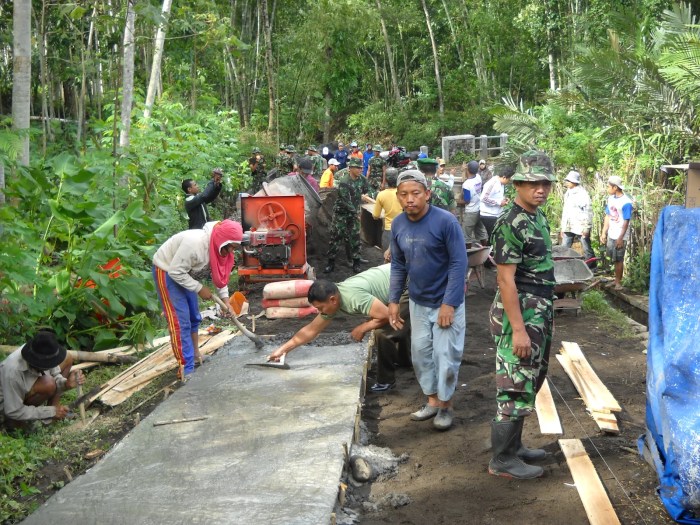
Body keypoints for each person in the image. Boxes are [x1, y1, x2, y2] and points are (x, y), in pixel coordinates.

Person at [488, 150, 556, 480]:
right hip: (521, 310)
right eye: (532, 182)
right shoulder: (509, 223)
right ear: (517, 184)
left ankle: (514, 447)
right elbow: (505, 279)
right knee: (514, 383)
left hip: (539, 309)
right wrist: (517, 329)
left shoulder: (537, 217)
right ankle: (501, 460)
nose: (539, 188)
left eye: (545, 183)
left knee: (531, 377)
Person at [388, 170, 467, 431]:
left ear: (427, 194)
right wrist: (393, 300)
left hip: (446, 301)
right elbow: (398, 265)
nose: (409, 199)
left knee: (445, 356)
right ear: (398, 197)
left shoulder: (446, 222)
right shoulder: (398, 224)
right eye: (404, 194)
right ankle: (432, 401)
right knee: (421, 354)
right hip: (418, 302)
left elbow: (459, 263)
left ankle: (446, 406)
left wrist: (449, 303)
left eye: (415, 193)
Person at [267, 264, 411, 393]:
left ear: (333, 300)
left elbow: (388, 316)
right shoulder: (332, 301)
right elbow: (311, 330)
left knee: (383, 331)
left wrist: (362, 328)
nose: (319, 312)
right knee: (381, 321)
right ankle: (404, 359)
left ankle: (386, 382)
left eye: (320, 308)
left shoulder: (353, 297)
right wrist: (282, 350)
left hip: (408, 282)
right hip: (395, 278)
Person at [152, 220, 242, 382]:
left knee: (194, 317)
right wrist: (199, 288)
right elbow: (175, 271)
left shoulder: (222, 250)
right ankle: (185, 369)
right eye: (230, 247)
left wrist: (226, 301)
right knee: (180, 321)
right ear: (222, 240)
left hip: (186, 273)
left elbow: (220, 277)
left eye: (234, 248)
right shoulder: (195, 244)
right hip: (167, 270)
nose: (231, 251)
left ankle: (194, 355)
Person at [0, 329, 85, 431]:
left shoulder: (42, 351)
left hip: (26, 393)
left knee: (68, 357)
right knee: (48, 383)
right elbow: (13, 410)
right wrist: (50, 411)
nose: (50, 366)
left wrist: (66, 384)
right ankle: (20, 424)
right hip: (8, 407)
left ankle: (52, 414)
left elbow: (55, 375)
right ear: (37, 362)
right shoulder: (12, 371)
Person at [324, 157, 371, 274]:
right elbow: (346, 201)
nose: (360, 170)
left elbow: (367, 190)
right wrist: (356, 214)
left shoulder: (362, 179)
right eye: (357, 168)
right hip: (342, 213)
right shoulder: (344, 182)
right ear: (350, 168)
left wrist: (366, 196)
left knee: (355, 237)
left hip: (354, 213)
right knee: (336, 237)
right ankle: (331, 263)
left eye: (361, 168)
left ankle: (356, 262)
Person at [600, 175, 633, 289]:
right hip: (612, 232)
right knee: (613, 258)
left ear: (615, 187)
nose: (607, 188)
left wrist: (620, 238)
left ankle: (618, 282)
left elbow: (626, 222)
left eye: (608, 186)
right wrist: (604, 232)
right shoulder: (610, 199)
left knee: (619, 259)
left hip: (620, 234)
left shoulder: (626, 202)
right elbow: (608, 216)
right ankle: (615, 280)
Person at [560, 170, 594, 260]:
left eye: (568, 181)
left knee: (586, 247)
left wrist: (587, 227)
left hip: (580, 225)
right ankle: (563, 266)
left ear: (574, 182)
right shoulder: (567, 193)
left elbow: (588, 211)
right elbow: (565, 211)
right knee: (564, 248)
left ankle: (591, 267)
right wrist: (563, 227)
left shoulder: (582, 194)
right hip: (568, 225)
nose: (566, 183)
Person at [372, 168, 403, 250]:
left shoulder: (381, 195)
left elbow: (375, 215)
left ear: (385, 179)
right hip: (404, 229)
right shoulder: (403, 193)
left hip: (389, 230)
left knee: (388, 258)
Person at [480, 167, 513, 242]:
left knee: (494, 236)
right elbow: (484, 198)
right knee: (494, 237)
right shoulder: (493, 183)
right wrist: (499, 203)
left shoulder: (501, 184)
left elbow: (496, 196)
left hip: (496, 214)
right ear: (504, 177)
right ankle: (490, 252)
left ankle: (490, 251)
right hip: (488, 215)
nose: (509, 182)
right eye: (509, 180)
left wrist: (504, 199)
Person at [461, 160, 487, 247]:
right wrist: (465, 170)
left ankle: (469, 254)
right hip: (479, 208)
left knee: (467, 235)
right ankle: (487, 252)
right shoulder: (478, 177)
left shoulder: (466, 184)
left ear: (468, 169)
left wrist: (457, 201)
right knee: (481, 232)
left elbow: (467, 200)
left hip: (471, 211)